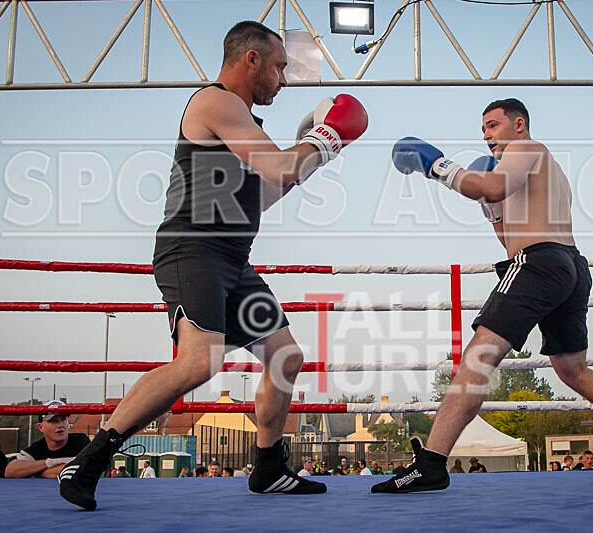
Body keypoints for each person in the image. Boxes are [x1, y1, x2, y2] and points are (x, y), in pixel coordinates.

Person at [57, 20, 367, 510]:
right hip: (193, 251)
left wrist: (317, 150)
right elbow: (278, 166)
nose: (284, 80)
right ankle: (91, 458)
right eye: (280, 67)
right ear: (252, 60)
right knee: (199, 361)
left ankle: (268, 466)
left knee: (285, 357)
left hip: (232, 261)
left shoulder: (246, 126)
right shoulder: (215, 101)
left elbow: (267, 192)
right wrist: (325, 137)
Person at [372, 98, 593, 494]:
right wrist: (491, 209)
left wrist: (435, 165)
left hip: (540, 262)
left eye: (493, 125)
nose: (487, 136)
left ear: (519, 125)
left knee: (476, 359)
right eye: (483, 130)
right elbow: (507, 238)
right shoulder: (532, 171)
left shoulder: (525, 148)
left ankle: (430, 464)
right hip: (567, 265)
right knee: (572, 370)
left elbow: (496, 195)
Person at [6, 400, 90, 479]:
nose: (60, 425)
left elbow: (83, 468)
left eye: (63, 419)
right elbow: (10, 472)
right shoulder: (38, 448)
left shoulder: (80, 441)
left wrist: (37, 471)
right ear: (40, 427)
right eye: (53, 421)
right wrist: (50, 462)